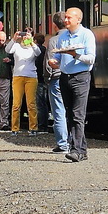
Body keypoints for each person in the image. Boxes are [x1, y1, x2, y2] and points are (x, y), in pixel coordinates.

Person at [54, 6, 97, 162]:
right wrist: (55, 62)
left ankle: (76, 150)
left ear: (78, 19)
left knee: (78, 115)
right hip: (64, 77)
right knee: (70, 114)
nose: (65, 20)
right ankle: (82, 150)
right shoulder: (63, 36)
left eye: (69, 18)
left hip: (81, 77)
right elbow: (59, 57)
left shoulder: (87, 35)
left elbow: (91, 59)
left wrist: (76, 55)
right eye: (65, 17)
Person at [44, 12, 69, 153]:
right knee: (71, 110)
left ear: (54, 25)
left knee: (58, 110)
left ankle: (63, 144)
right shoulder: (73, 36)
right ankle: (73, 142)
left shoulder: (54, 40)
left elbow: (49, 62)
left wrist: (47, 78)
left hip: (56, 77)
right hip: (72, 77)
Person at [8, 29, 40, 132]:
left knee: (31, 103)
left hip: (31, 77)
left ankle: (33, 128)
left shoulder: (33, 48)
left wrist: (31, 42)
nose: (25, 37)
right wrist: (14, 39)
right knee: (16, 104)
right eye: (24, 35)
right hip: (18, 77)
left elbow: (38, 52)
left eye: (28, 35)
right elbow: (8, 50)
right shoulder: (16, 46)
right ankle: (15, 128)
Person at [34, 32, 50, 132]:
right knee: (45, 103)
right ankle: (45, 123)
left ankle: (42, 125)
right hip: (45, 78)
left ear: (35, 40)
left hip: (38, 79)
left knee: (40, 104)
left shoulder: (35, 51)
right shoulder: (45, 50)